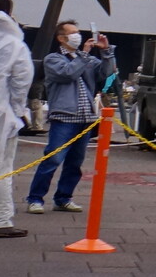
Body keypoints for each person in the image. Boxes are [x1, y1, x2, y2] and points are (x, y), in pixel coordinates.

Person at [25, 21, 113, 215]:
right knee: (53, 159)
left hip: (85, 118)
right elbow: (68, 73)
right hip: (64, 118)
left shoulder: (86, 59)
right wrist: (84, 54)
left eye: (77, 33)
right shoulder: (53, 59)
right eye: (72, 33)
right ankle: (35, 198)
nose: (77, 36)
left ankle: (64, 198)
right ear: (61, 38)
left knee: (75, 163)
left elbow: (106, 74)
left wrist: (106, 52)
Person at [0, 0, 30, 238]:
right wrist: (19, 112)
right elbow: (21, 82)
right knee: (1, 168)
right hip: (0, 115)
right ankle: (0, 220)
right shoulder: (14, 43)